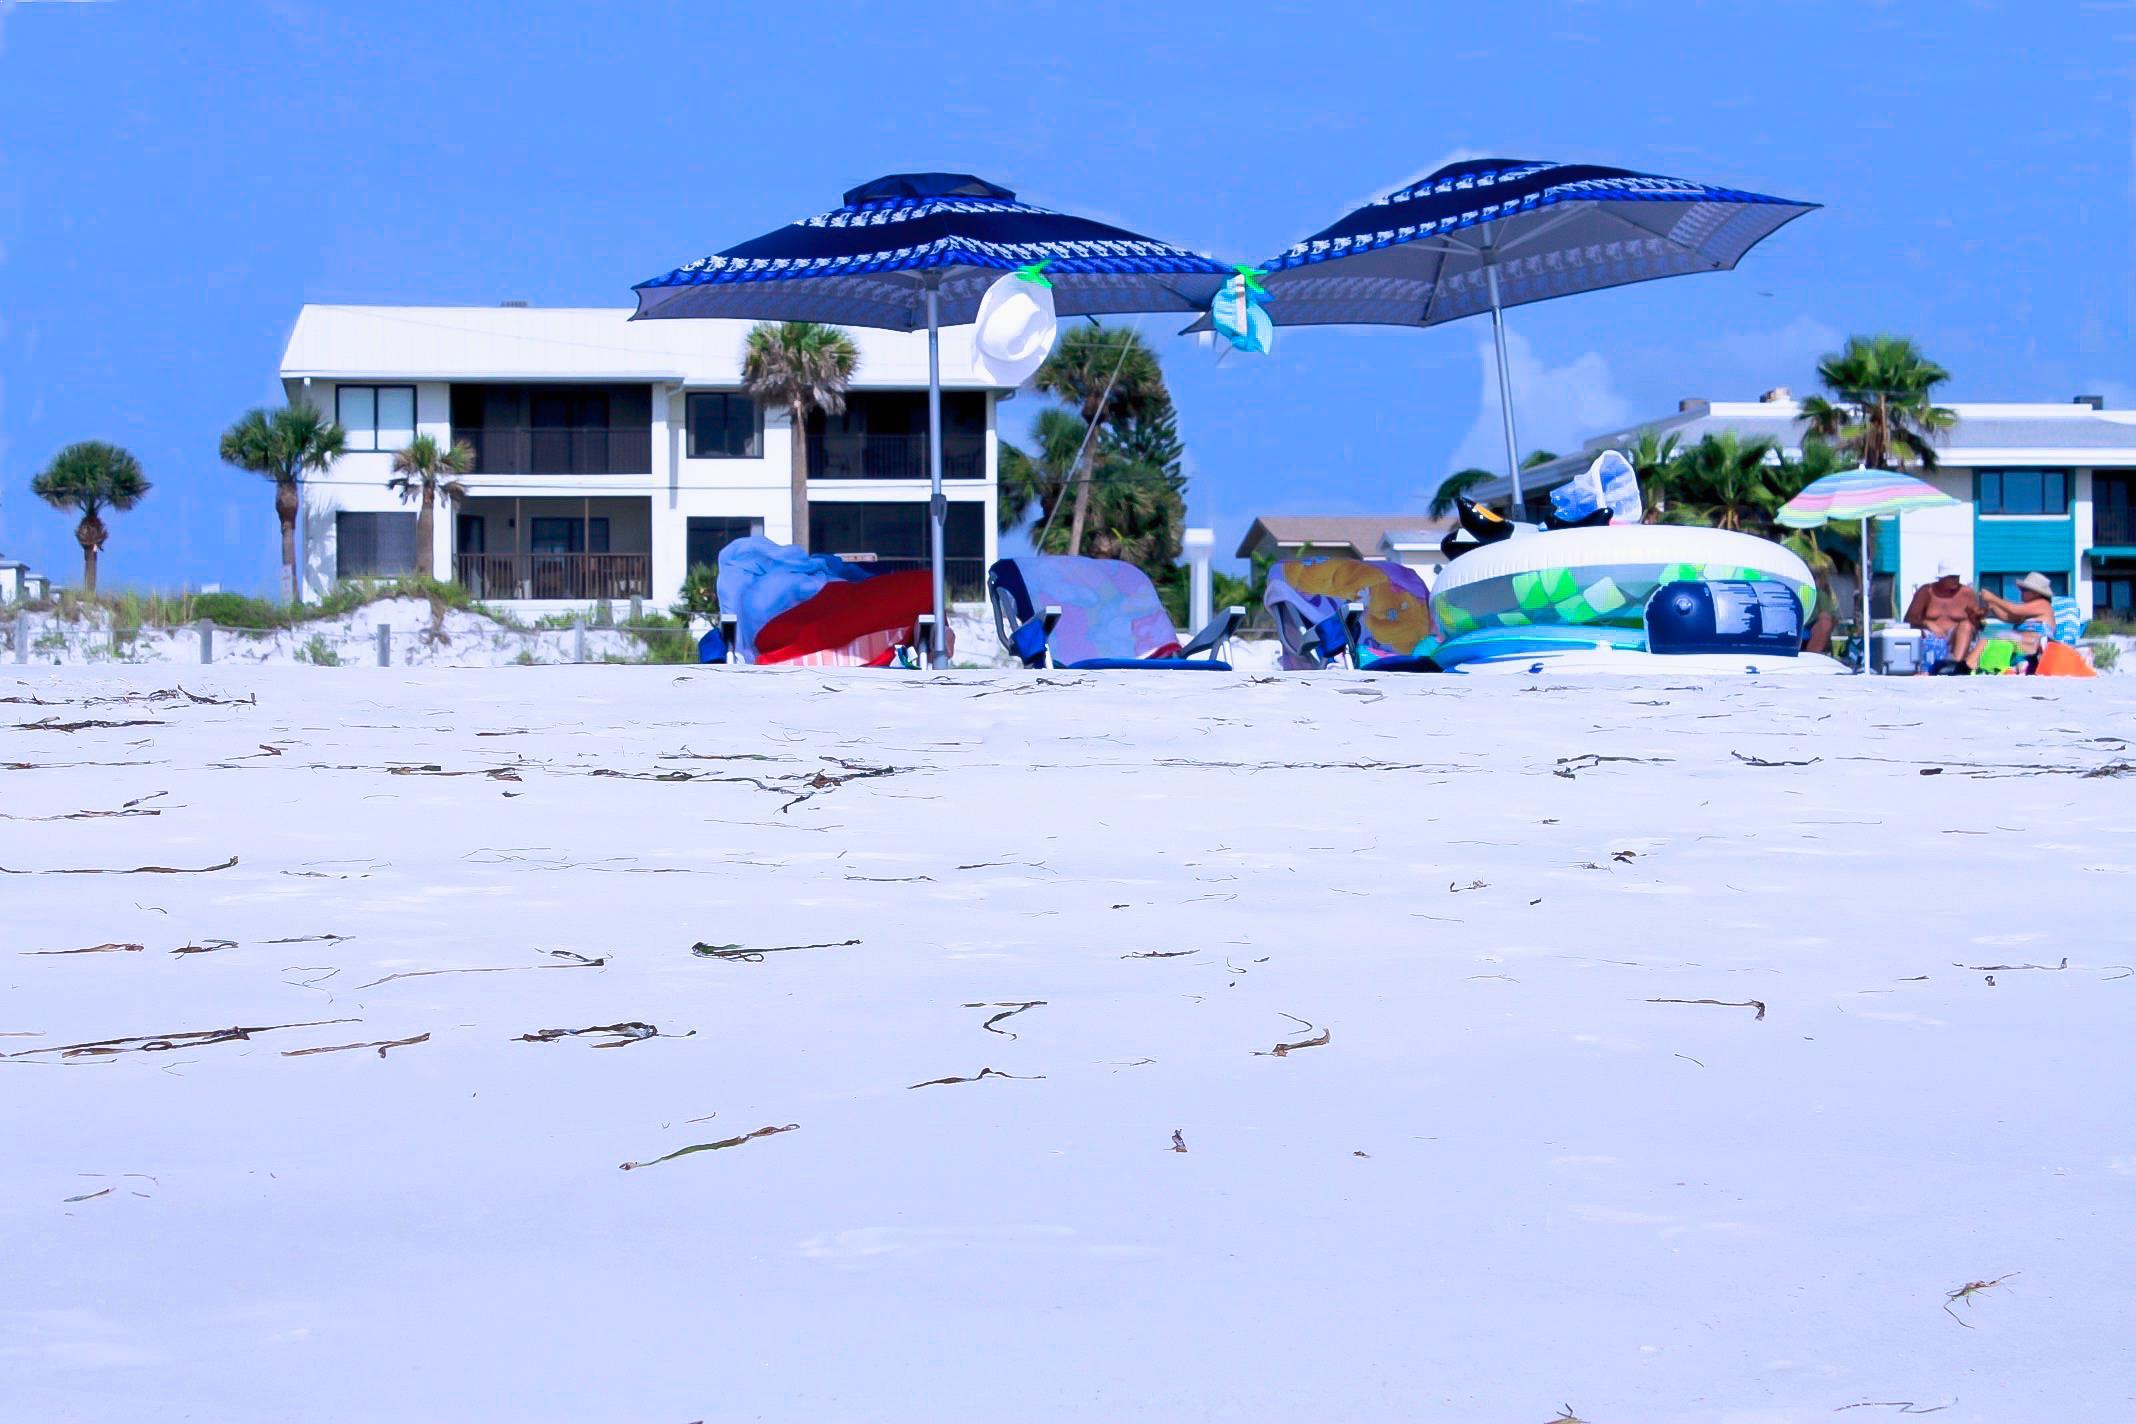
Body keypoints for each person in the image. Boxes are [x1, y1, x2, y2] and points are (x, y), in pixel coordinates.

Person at [1903, 562, 1983, 670]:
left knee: (1966, 625)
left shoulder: (1966, 593)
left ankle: (1954, 665)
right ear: (1942, 578)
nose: (1955, 580)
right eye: (1951, 577)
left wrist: (1978, 618)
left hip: (1957, 638)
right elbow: (1909, 618)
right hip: (1931, 638)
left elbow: (1978, 623)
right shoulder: (1927, 591)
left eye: (1957, 577)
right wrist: (1927, 623)